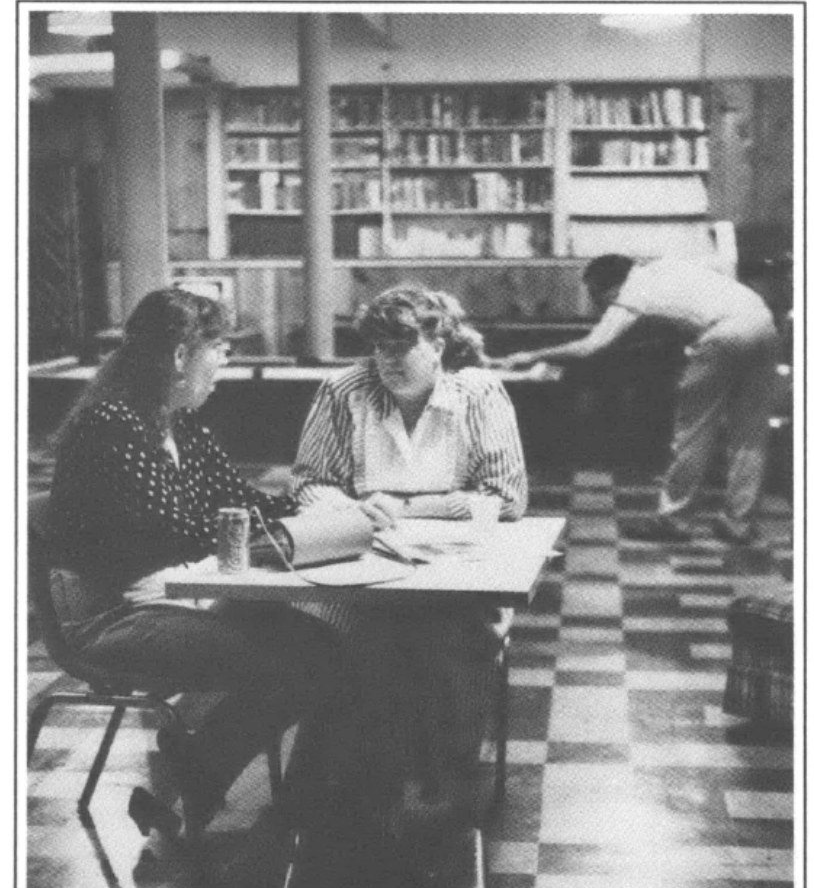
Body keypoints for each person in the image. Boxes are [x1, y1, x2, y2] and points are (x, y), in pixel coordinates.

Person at [47, 287, 341, 835]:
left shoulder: (178, 424)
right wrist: (276, 530)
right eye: (220, 347)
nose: (226, 361)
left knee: (323, 647)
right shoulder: (112, 425)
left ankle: (199, 778)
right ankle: (263, 798)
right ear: (180, 356)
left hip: (176, 595)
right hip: (115, 614)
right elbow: (177, 530)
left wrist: (326, 508)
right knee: (293, 663)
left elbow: (238, 500)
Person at [291, 284, 528, 852]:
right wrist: (353, 511)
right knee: (360, 644)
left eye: (401, 347)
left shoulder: (478, 393)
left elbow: (507, 494)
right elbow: (308, 483)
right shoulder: (343, 390)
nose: (387, 362)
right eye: (377, 348)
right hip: (364, 577)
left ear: (440, 341)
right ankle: (359, 799)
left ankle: (438, 793)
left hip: (454, 580)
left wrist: (405, 506)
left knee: (446, 641)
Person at [503, 254, 780, 543]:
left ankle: (674, 521)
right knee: (749, 434)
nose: (601, 306)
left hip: (722, 334)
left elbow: (590, 347)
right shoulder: (665, 266)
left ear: (609, 288)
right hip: (762, 321)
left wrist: (531, 355)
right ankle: (739, 524)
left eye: (598, 298)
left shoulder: (631, 293)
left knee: (693, 435)